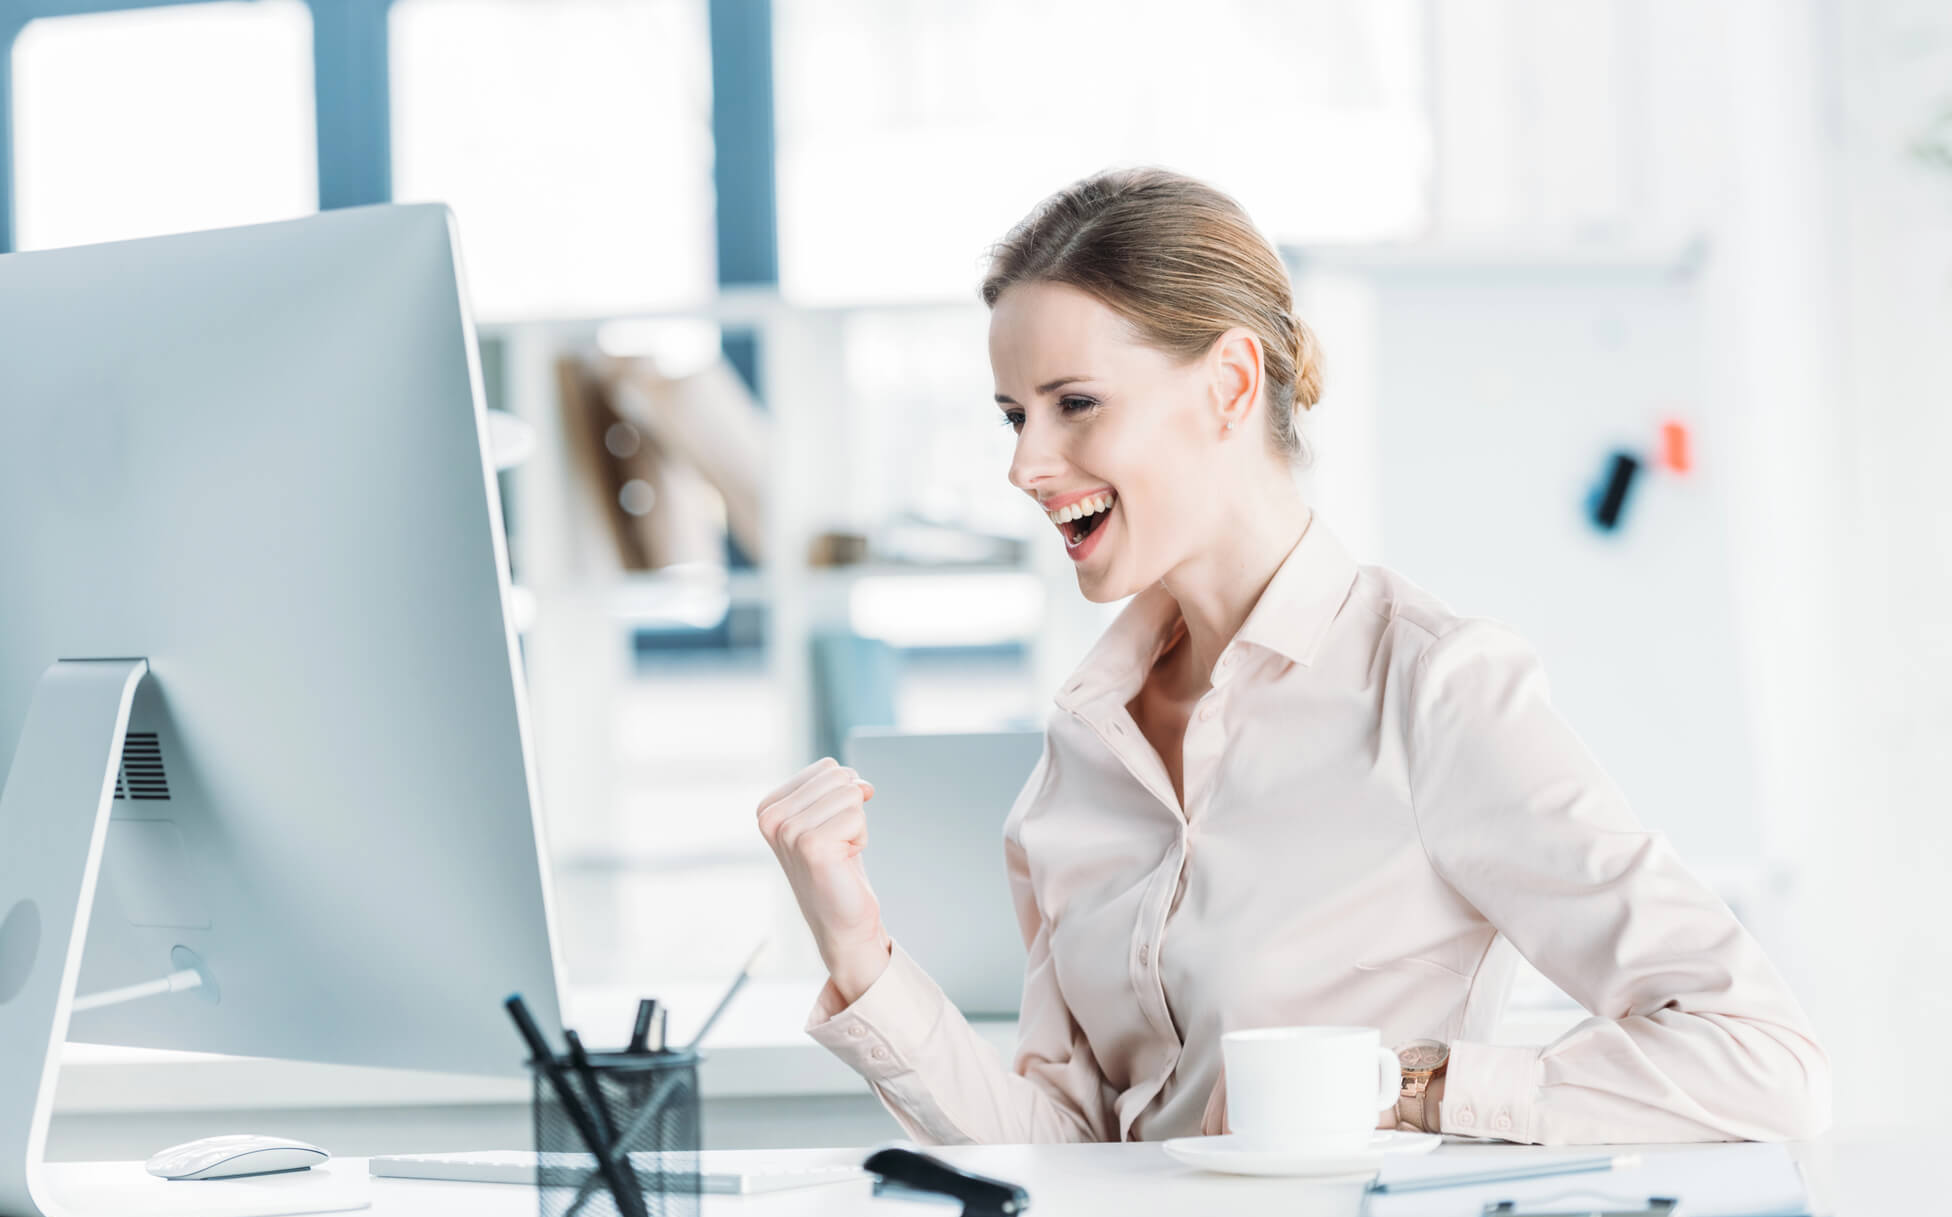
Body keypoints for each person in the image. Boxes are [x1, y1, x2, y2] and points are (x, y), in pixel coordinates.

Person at [755, 167, 1829, 1147]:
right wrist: (857, 951)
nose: (1027, 463)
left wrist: (1405, 1090)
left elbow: (1758, 1061)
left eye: (1074, 405)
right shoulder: (1079, 754)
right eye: (1012, 417)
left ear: (1228, 384)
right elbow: (1064, 1154)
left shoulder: (1433, 693)